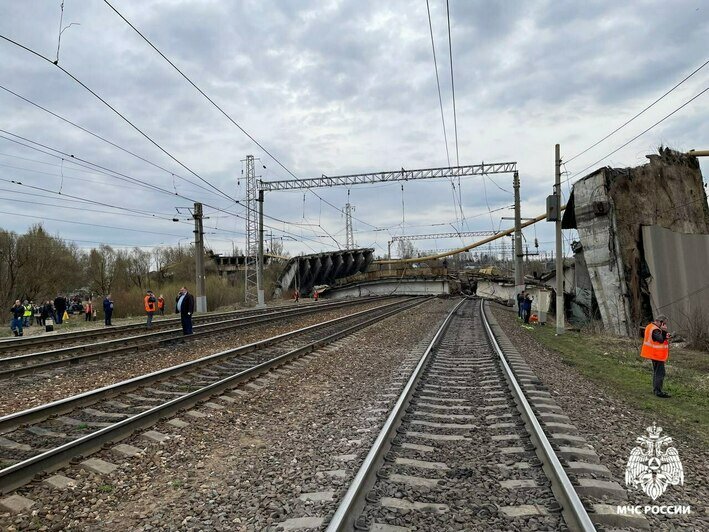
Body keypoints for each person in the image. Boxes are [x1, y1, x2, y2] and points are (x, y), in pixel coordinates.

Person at [640, 314, 671, 398]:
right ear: (660, 322)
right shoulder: (655, 330)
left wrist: (665, 335)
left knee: (657, 372)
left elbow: (658, 339)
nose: (665, 325)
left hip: (654, 354)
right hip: (657, 354)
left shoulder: (650, 327)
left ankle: (656, 390)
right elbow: (660, 339)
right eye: (664, 324)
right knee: (660, 373)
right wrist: (664, 331)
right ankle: (658, 391)